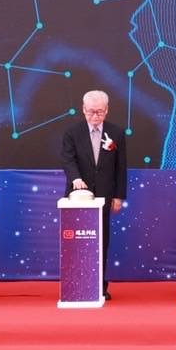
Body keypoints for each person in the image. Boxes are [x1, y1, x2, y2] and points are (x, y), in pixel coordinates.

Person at [60, 89, 127, 299]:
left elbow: (120, 167)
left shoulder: (116, 133)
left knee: (101, 240)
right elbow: (68, 160)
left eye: (99, 112)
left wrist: (118, 196)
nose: (95, 116)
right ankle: (77, 282)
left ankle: (99, 285)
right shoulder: (72, 133)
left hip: (105, 195)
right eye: (91, 111)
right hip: (78, 196)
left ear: (107, 110)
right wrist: (76, 179)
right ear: (83, 109)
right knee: (77, 240)